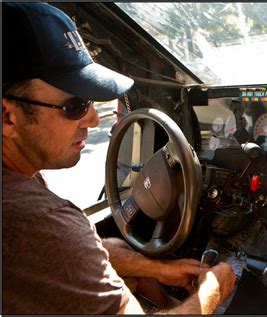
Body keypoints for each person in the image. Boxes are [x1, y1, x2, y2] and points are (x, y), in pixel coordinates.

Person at [2, 2, 236, 314]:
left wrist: (160, 270)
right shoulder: (38, 222)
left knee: (122, 249)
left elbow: (86, 250)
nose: (94, 120)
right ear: (8, 116)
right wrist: (212, 292)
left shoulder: (21, 184)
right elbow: (62, 244)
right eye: (74, 106)